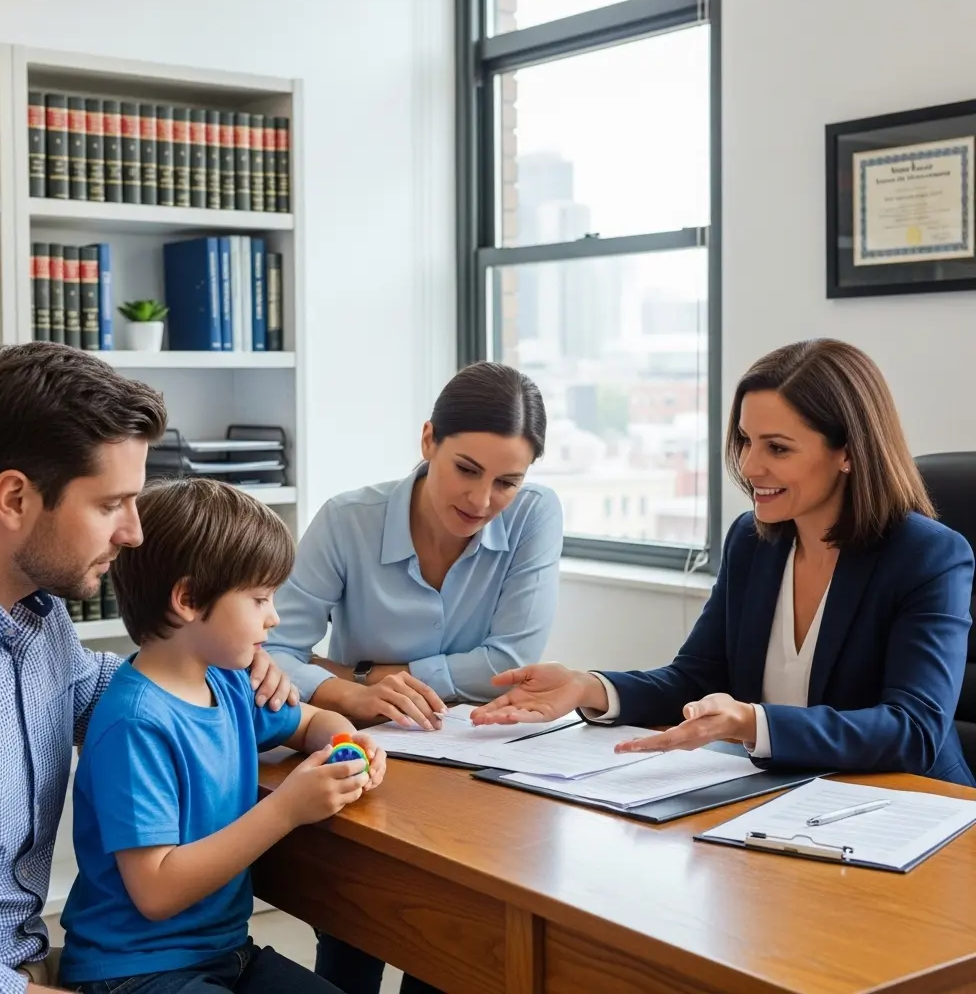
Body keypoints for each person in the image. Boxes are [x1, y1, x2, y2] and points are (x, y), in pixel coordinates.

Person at [473, 339, 975, 787]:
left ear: (847, 452)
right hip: (783, 801)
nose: (751, 466)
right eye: (745, 441)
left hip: (911, 808)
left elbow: (915, 728)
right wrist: (591, 687)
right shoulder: (753, 542)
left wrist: (751, 723)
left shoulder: (928, 556)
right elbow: (697, 678)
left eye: (777, 447)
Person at [0, 343, 296, 994]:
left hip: (33, 964)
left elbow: (112, 688)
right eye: (112, 504)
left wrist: (261, 673)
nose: (134, 534)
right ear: (15, 498)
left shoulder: (38, 616)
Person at [265, 360, 563, 994]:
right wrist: (351, 691)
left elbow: (508, 663)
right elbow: (271, 649)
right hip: (367, 761)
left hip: (483, 777)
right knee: (354, 933)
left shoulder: (535, 514)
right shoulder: (348, 519)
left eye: (508, 480)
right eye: (466, 469)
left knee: (458, 946)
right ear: (429, 441)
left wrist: (373, 670)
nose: (482, 501)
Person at [59, 478, 387, 993]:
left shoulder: (229, 681)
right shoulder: (135, 723)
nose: (274, 617)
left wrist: (347, 740)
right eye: (259, 599)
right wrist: (285, 809)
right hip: (135, 970)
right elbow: (157, 891)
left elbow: (306, 723)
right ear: (188, 599)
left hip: (227, 951)